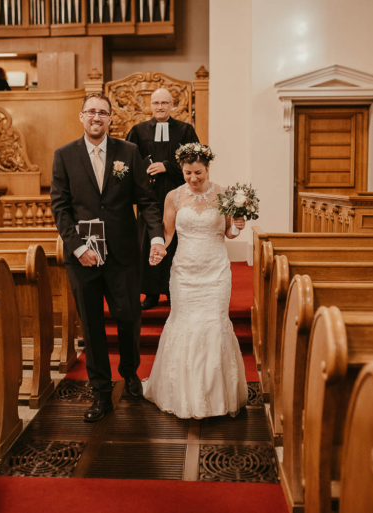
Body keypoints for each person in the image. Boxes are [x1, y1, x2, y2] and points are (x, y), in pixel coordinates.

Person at [50, 93, 167, 422]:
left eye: (103, 112)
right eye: (91, 112)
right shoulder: (64, 156)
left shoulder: (128, 152)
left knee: (129, 316)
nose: (96, 117)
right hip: (83, 257)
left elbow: (147, 201)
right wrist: (78, 248)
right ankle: (100, 393)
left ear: (111, 119)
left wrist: (156, 235)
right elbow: (60, 208)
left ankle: (130, 374)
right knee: (92, 326)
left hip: (122, 254)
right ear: (81, 116)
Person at [143, 143, 248, 419]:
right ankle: (184, 395)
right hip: (185, 271)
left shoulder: (225, 194)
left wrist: (237, 227)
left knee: (214, 323)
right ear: (182, 169)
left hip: (215, 270)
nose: (193, 178)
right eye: (188, 173)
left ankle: (215, 395)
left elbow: (228, 233)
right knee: (185, 324)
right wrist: (159, 249)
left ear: (208, 168)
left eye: (198, 172)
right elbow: (167, 234)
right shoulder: (173, 196)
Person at [126, 88, 200, 310]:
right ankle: (150, 293)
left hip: (178, 195)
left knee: (176, 242)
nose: (160, 107)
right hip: (148, 197)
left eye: (164, 103)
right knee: (149, 241)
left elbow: (197, 161)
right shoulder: (138, 130)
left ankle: (173, 291)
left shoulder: (185, 130)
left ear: (172, 105)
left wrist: (167, 166)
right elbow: (127, 161)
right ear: (150, 105)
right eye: (156, 103)